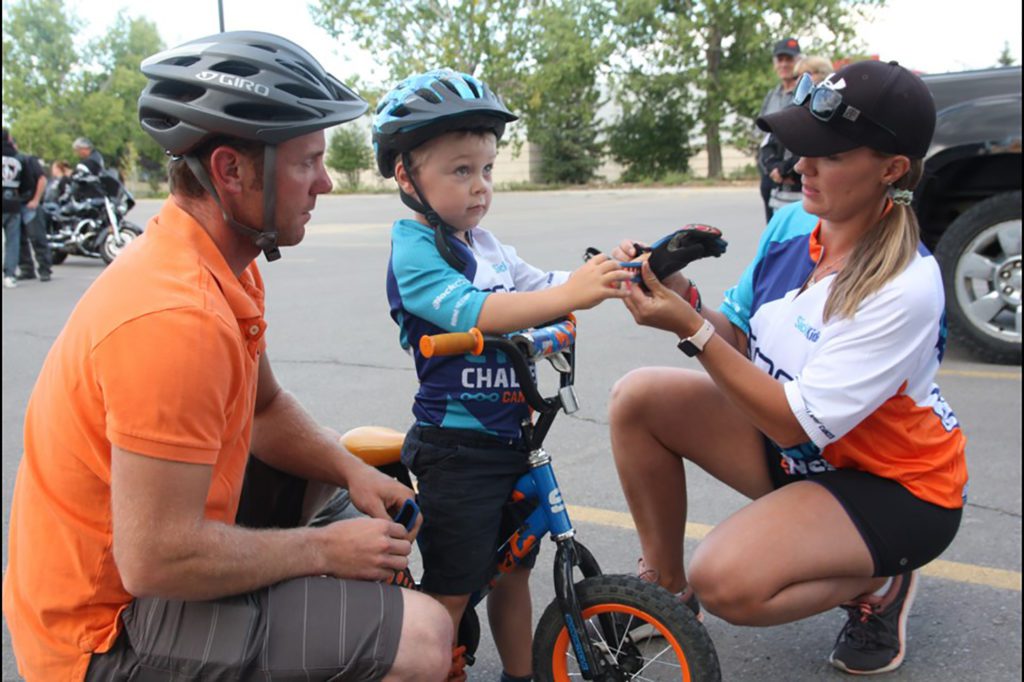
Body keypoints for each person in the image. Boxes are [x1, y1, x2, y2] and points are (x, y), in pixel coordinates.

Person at [3, 32, 452, 682]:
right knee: (425, 640)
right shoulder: (174, 318)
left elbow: (266, 411)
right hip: (101, 630)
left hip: (144, 567)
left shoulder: (220, 264)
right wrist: (324, 549)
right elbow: (154, 559)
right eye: (307, 162)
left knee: (329, 465)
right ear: (230, 171)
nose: (324, 183)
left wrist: (352, 471)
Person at [609, 60, 966, 676]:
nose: (801, 165)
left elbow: (792, 423)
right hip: (806, 452)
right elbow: (743, 346)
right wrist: (680, 294)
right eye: (803, 147)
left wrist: (688, 331)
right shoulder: (794, 227)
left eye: (828, 154)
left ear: (893, 169)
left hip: (892, 487)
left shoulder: (907, 285)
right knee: (637, 397)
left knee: (728, 581)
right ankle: (667, 596)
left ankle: (881, 582)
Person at [374, 68, 630, 682]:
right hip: (457, 448)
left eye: (486, 169)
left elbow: (543, 287)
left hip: (515, 438)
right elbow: (479, 312)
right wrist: (570, 295)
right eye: (461, 171)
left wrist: (606, 270)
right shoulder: (415, 251)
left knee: (515, 571)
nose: (480, 186)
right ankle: (434, 664)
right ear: (406, 174)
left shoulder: (485, 243)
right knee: (454, 591)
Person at [759, 55, 834, 212]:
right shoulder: (786, 106)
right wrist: (774, 167)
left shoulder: (830, 116)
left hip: (805, 196)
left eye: (806, 75)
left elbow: (813, 150)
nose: (798, 81)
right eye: (797, 77)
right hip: (779, 195)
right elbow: (768, 141)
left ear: (825, 75)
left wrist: (786, 169)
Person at [757, 36, 802, 223]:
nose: (784, 64)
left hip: (796, 174)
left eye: (789, 59)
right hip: (771, 173)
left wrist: (788, 169)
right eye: (780, 60)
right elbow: (763, 134)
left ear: (798, 62)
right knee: (774, 230)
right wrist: (771, 166)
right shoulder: (772, 95)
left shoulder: (804, 92)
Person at [2, 128, 44, 289]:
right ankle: (9, 275)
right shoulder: (19, 158)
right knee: (13, 241)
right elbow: (28, 183)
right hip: (12, 202)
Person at [15, 150, 53, 282]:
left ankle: (44, 269)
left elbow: (42, 179)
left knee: (37, 237)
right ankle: (26, 269)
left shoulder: (28, 160)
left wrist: (36, 199)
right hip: (16, 204)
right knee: (19, 240)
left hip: (31, 204)